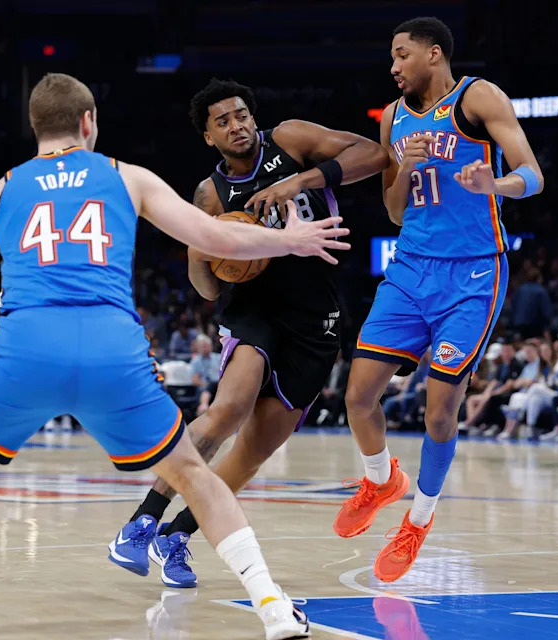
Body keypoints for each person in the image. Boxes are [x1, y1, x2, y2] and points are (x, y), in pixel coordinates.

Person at [0, 72, 352, 640]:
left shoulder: (4, 190)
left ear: (36, 129)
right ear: (89, 123)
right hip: (113, 352)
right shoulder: (125, 177)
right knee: (191, 474)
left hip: (24, 352)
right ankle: (272, 608)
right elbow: (218, 240)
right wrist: (293, 240)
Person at [108, 78, 388, 589]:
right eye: (223, 121)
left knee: (253, 451)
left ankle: (177, 535)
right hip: (252, 311)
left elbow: (373, 153)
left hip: (316, 317)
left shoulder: (292, 140)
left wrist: (296, 184)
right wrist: (199, 252)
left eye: (241, 115)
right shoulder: (209, 194)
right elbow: (208, 289)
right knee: (227, 411)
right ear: (209, 138)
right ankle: (141, 521)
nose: (237, 125)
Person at [334, 16, 543, 583]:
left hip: (474, 274)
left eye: (401, 55)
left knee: (440, 409)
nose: (394, 66)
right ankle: (381, 481)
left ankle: (418, 519)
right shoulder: (392, 118)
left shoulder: (478, 96)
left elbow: (533, 173)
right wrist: (407, 165)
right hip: (409, 272)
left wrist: (494, 186)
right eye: (391, 58)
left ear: (433, 53)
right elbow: (395, 211)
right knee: (357, 398)